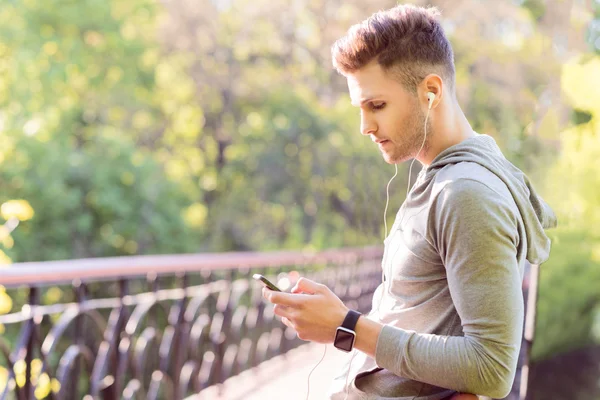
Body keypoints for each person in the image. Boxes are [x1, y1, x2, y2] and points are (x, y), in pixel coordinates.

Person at [262, 4, 557, 400]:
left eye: (376, 105)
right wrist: (331, 316)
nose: (365, 126)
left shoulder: (466, 193)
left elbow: (492, 367)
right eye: (360, 109)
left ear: (431, 92)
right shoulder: (443, 178)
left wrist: (347, 327)